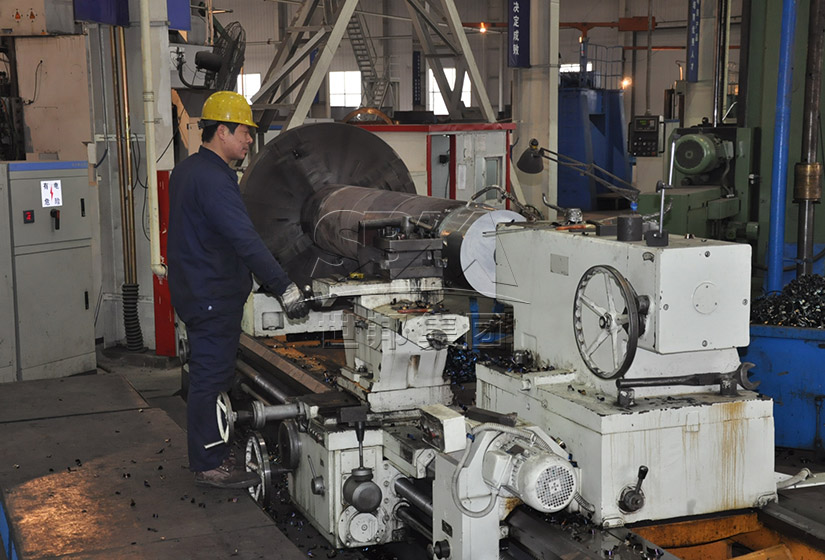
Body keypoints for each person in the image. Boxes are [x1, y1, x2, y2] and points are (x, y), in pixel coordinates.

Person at [167, 91, 309, 488]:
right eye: (244, 132)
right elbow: (243, 239)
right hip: (212, 295)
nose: (249, 140)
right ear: (222, 132)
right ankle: (208, 463)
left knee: (210, 374)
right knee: (210, 378)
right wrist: (284, 287)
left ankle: (212, 449)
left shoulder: (188, 170)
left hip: (197, 290)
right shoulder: (214, 180)